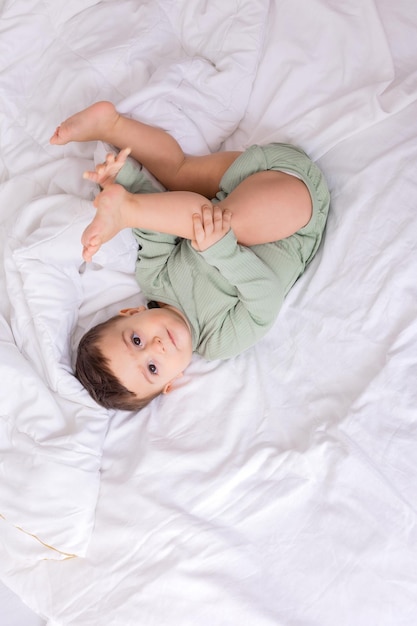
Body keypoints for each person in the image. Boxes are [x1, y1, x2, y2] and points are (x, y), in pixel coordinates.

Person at [50, 101, 330, 411]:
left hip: (240, 181)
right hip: (296, 207)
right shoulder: (219, 340)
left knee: (178, 173)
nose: (156, 347)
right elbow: (266, 297)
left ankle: (111, 124)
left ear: (130, 313)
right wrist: (219, 251)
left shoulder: (154, 279)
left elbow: (159, 217)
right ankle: (126, 210)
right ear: (173, 381)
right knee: (217, 224)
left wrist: (125, 178)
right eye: (153, 368)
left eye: (136, 341)